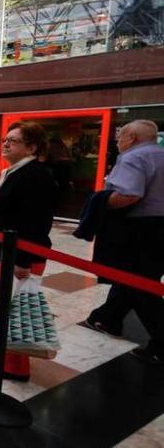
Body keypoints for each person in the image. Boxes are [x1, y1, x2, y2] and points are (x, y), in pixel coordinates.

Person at [83, 120, 164, 364]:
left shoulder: (133, 158)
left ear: (131, 137)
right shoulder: (160, 154)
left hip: (140, 229)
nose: (117, 141)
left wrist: (101, 202)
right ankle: (107, 318)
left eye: (119, 136)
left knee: (141, 285)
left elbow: (130, 194)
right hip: (160, 228)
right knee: (134, 277)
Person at [0, 121, 57, 382]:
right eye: (5, 140)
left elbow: (36, 221)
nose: (5, 144)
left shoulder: (36, 175)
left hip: (20, 256)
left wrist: (23, 260)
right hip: (5, 251)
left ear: (31, 147)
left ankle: (15, 366)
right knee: (2, 306)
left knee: (13, 310)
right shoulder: (14, 171)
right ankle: (2, 349)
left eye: (12, 141)